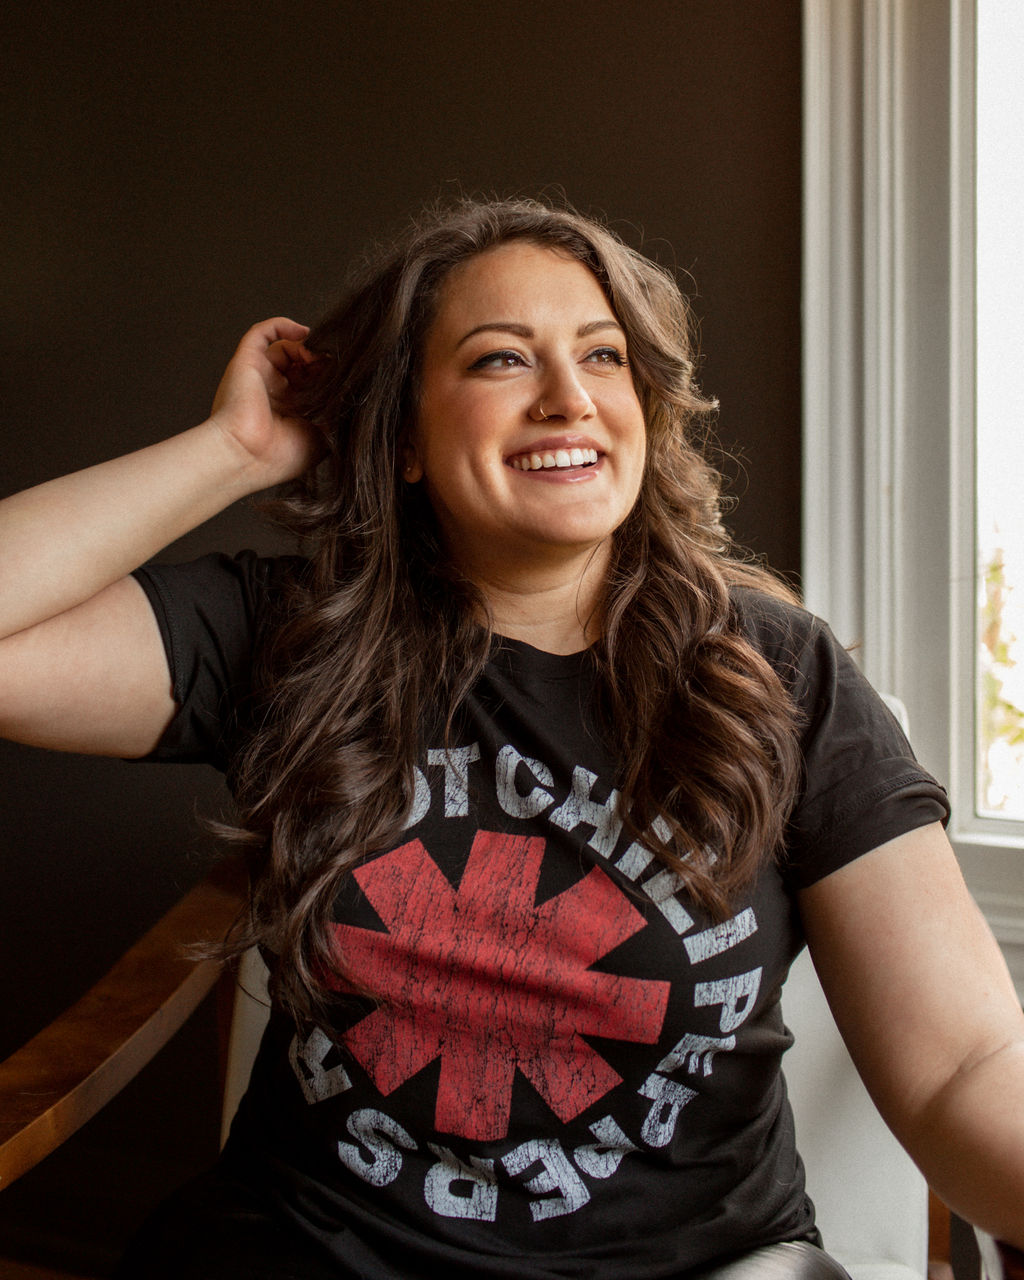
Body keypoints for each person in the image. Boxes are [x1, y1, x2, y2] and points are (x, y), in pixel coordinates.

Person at [1, 197, 1022, 1279]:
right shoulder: (292, 632)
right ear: (403, 435)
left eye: (604, 356)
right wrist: (234, 448)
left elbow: (962, 1060)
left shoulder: (780, 671)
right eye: (499, 360)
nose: (568, 398)